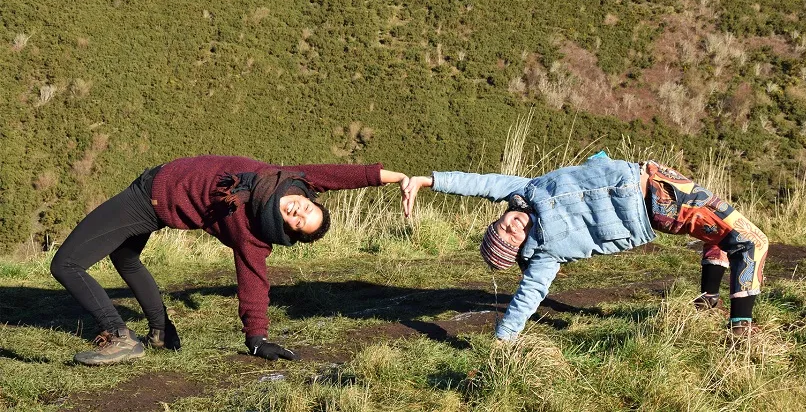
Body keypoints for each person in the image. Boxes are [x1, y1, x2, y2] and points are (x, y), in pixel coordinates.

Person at [51, 155, 409, 365]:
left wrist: (257, 337)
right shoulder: (289, 179)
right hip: (152, 187)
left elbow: (253, 282)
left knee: (66, 263)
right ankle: (163, 334)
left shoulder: (253, 233)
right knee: (126, 258)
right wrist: (397, 178)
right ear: (310, 198)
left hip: (147, 202)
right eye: (308, 209)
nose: (299, 212)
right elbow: (344, 176)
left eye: (299, 222)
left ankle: (119, 335)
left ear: (288, 231)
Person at [403, 151, 769, 341]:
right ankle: (741, 329)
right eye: (509, 238)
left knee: (719, 236)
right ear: (519, 251)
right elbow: (528, 295)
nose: (510, 225)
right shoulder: (546, 255)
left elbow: (480, 183)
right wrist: (504, 338)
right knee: (750, 241)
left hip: (653, 176)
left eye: (503, 224)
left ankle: (707, 303)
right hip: (659, 201)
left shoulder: (528, 190)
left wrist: (427, 180)